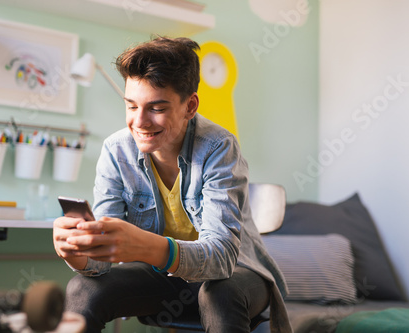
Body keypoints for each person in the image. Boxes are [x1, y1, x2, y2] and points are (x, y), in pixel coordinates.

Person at [53, 36, 292, 333]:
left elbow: (221, 259)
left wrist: (147, 246)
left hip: (237, 275)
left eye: (156, 108)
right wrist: (77, 252)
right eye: (131, 106)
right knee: (83, 288)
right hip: (167, 279)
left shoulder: (219, 147)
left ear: (190, 106)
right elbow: (100, 263)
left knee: (219, 293)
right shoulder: (116, 151)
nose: (139, 122)